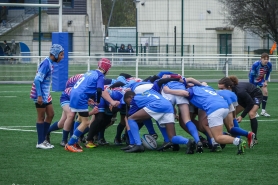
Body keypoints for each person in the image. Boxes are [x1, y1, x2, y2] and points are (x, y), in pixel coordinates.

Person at [65, 58, 120, 152]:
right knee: (86, 122)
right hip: (80, 97)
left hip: (74, 94)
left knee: (79, 119)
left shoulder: (90, 72)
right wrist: (110, 101)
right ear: (106, 68)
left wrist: (89, 97)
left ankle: (75, 142)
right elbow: (100, 90)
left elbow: (86, 86)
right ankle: (70, 143)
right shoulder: (100, 76)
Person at [123, 90, 196, 154]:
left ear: (130, 97)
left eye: (129, 102)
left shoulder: (135, 99)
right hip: (168, 106)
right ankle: (188, 141)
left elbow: (130, 115)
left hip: (157, 105)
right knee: (171, 137)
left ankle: (138, 145)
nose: (130, 104)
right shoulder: (150, 91)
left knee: (131, 119)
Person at [30, 44, 64, 149]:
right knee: (41, 117)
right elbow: (37, 80)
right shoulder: (46, 63)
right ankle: (40, 142)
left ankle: (43, 139)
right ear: (56, 54)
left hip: (45, 94)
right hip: (40, 94)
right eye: (61, 55)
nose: (62, 57)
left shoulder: (49, 63)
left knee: (51, 114)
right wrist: (39, 96)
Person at [218, 76, 262, 145]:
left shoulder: (240, 91)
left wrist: (242, 116)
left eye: (222, 89)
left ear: (229, 87)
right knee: (233, 116)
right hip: (245, 98)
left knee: (251, 114)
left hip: (255, 95)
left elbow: (250, 103)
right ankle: (236, 136)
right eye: (219, 89)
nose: (220, 91)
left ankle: (254, 138)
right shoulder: (231, 92)